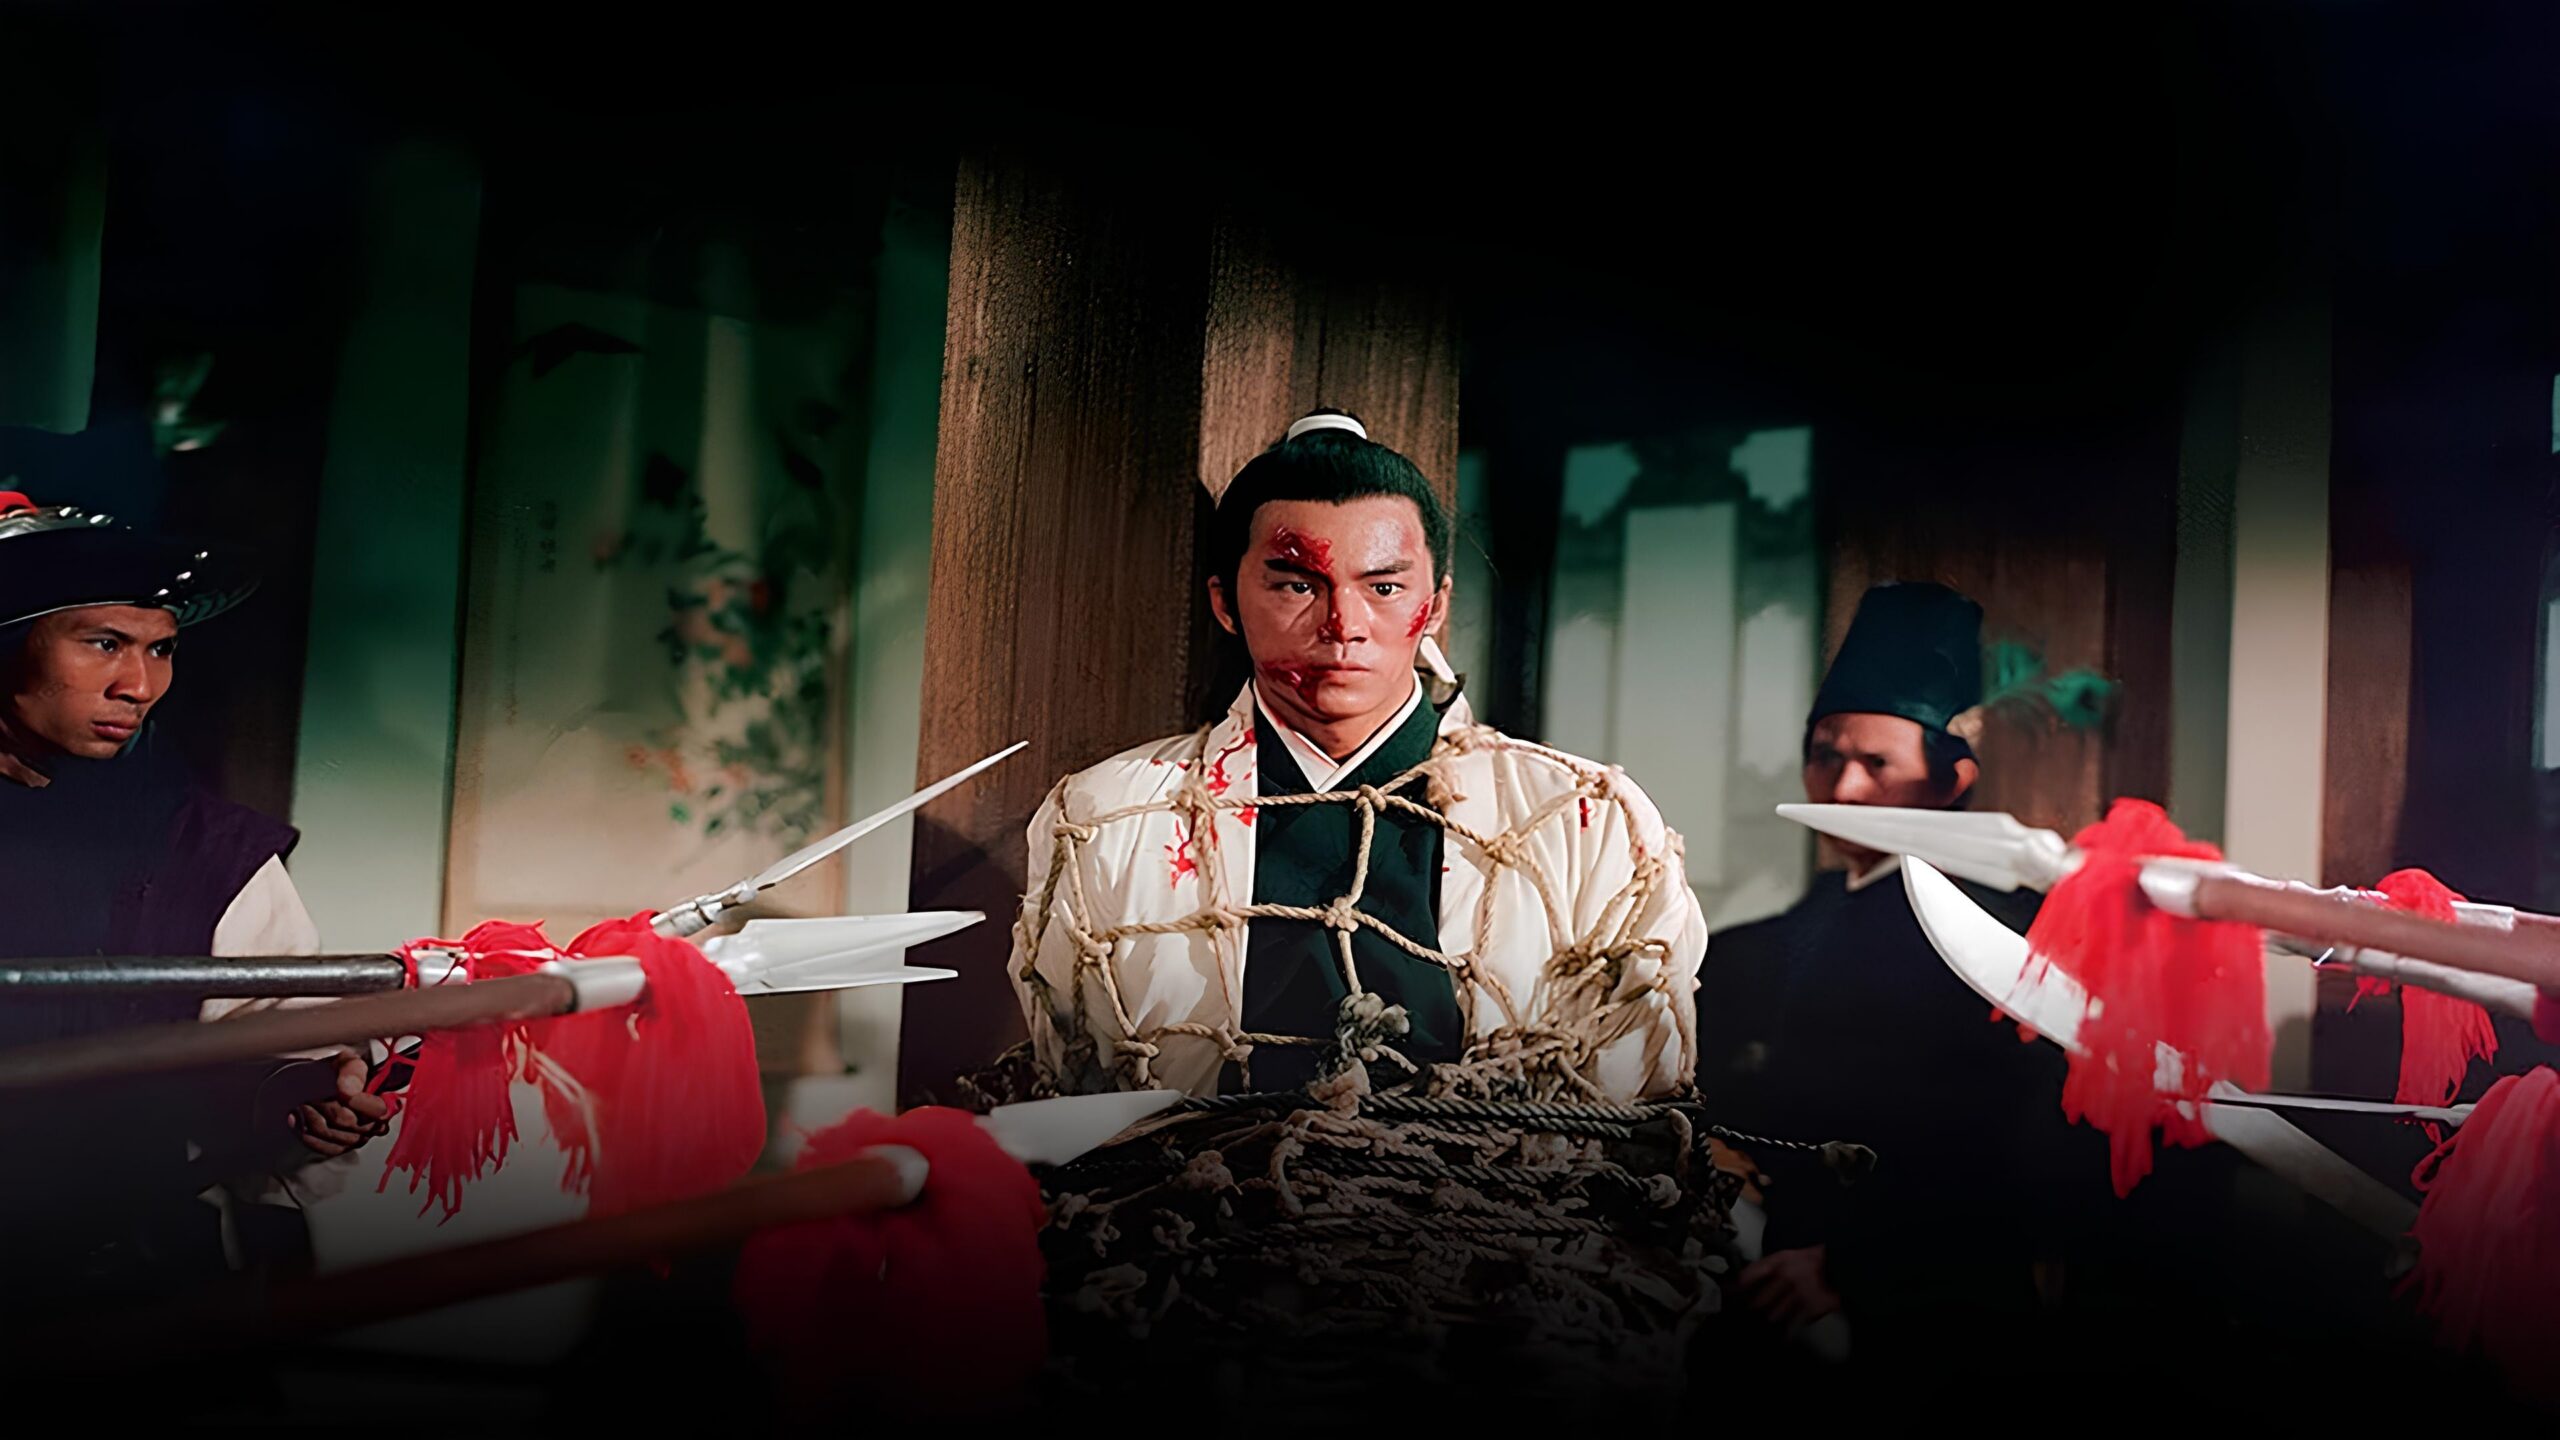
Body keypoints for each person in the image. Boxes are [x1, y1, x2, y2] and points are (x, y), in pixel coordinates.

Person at [1006, 411, 1705, 1102]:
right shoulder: (1108, 819)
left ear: (1435, 606)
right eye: (1296, 585)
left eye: (1384, 587)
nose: (1343, 627)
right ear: (1225, 603)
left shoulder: (1586, 820)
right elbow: (1079, 1078)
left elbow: (1632, 1088)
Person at [0, 491, 387, 1304]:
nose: (139, 685)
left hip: (116, 1280)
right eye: (104, 644)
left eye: (161, 649)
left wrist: (301, 1094)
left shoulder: (208, 852)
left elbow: (271, 1038)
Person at [1693, 581, 2079, 1375]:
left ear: (1951, 781)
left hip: (1937, 1315)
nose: (1843, 790)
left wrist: (1849, 1267)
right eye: (1825, 756)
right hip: (1780, 1297)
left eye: (1877, 764)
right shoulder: (1806, 922)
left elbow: (2023, 1150)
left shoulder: (2013, 932)